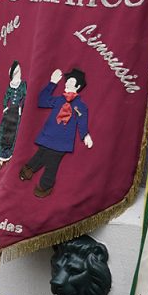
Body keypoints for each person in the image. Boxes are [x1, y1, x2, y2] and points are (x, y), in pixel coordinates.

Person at [19, 68, 93, 199]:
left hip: (61, 142)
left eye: (70, 81)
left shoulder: (80, 106)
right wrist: (52, 83)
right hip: (48, 136)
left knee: (52, 164)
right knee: (40, 154)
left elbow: (82, 120)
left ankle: (45, 185)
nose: (67, 83)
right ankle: (28, 170)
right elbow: (42, 101)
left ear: (78, 86)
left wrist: (85, 135)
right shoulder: (59, 100)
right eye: (67, 81)